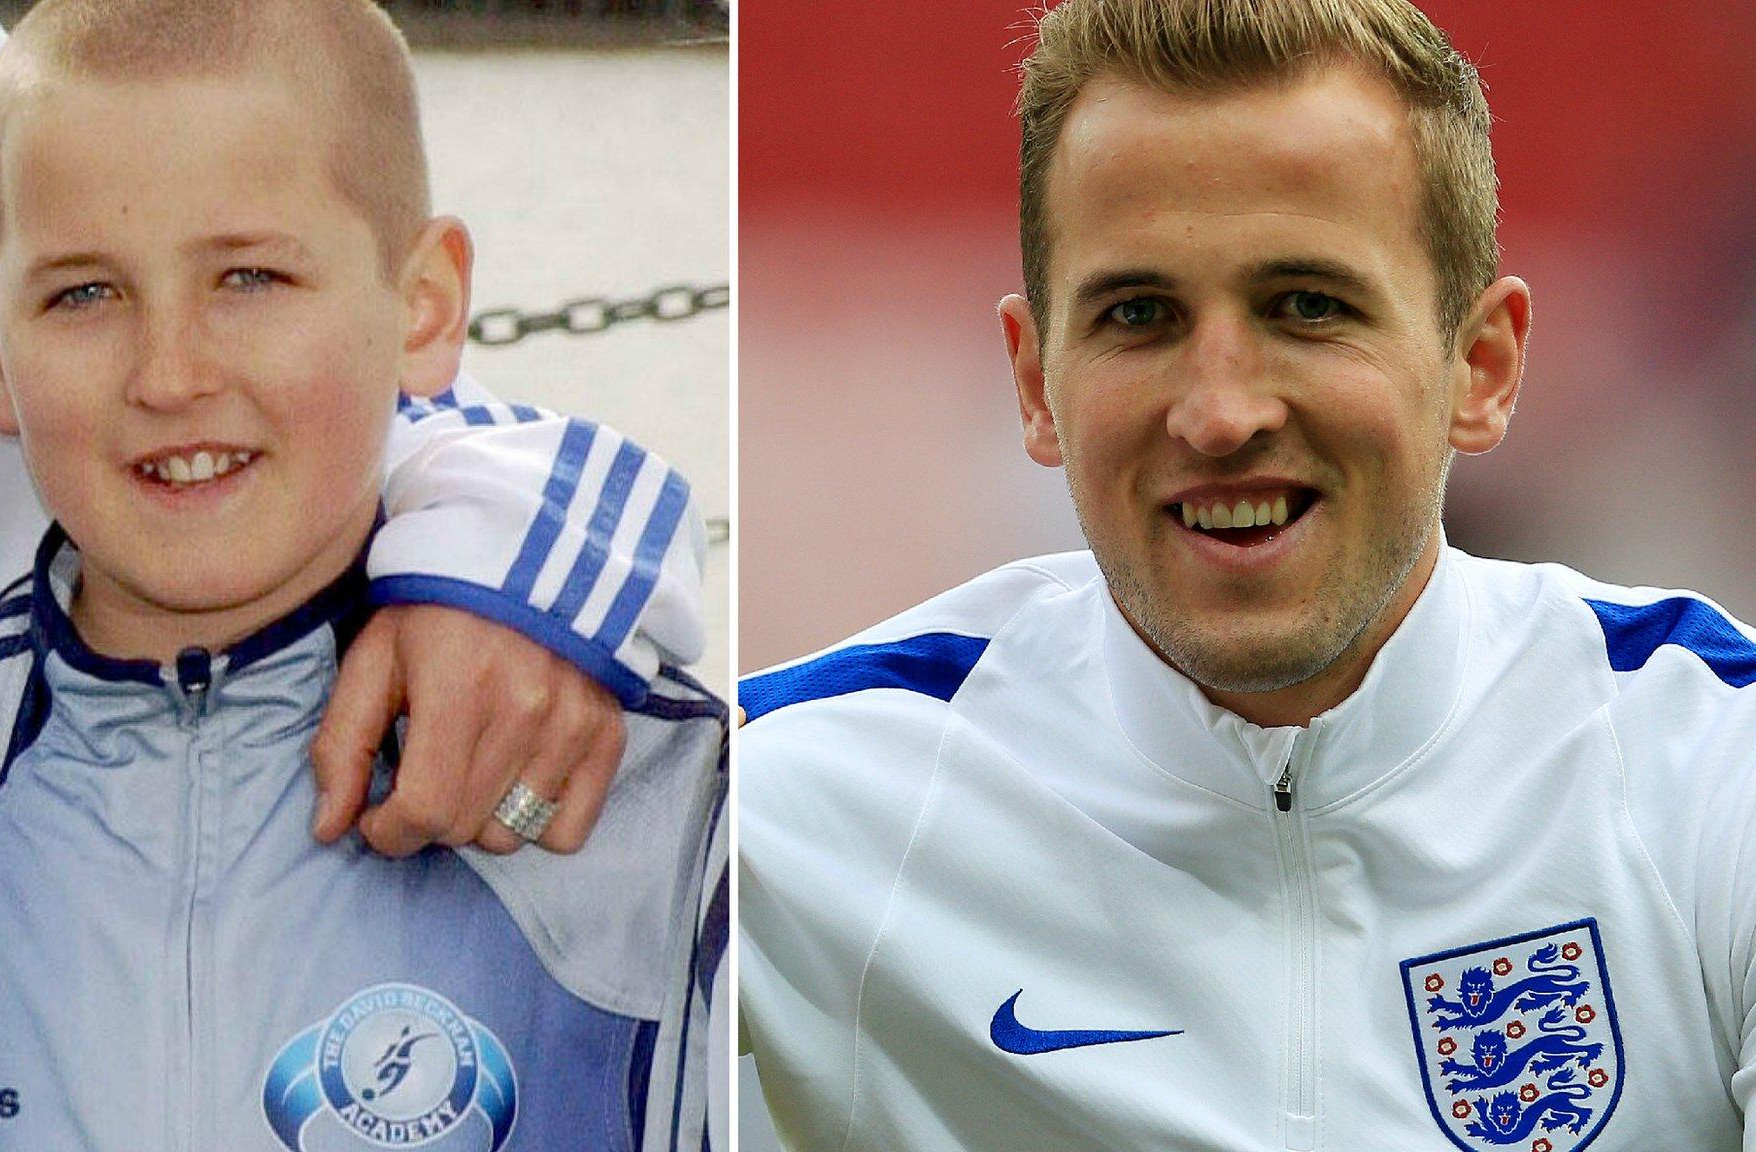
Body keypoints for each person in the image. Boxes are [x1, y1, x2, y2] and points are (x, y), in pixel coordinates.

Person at [738, 1, 1754, 1149]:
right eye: (1138, 314)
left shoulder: (1707, 771)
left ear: (1480, 366)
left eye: (1306, 307)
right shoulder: (807, 803)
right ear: (1034, 383)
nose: (1219, 414)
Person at [0, 0, 724, 1147]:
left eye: (245, 280)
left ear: (428, 303)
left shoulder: (672, 810)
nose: (169, 373)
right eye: (84, 294)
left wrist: (518, 569)